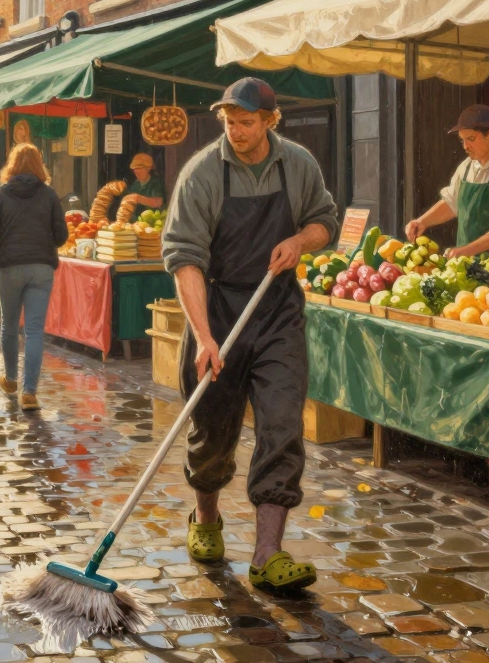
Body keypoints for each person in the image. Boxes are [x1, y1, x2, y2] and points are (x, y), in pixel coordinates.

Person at [163, 78, 338, 593]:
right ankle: (206, 518)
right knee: (212, 432)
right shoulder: (201, 174)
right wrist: (204, 336)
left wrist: (300, 240)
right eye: (228, 122)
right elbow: (185, 259)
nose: (235, 131)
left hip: (278, 311)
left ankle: (267, 554)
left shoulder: (298, 164)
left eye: (245, 122)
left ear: (269, 121)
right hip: (218, 310)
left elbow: (324, 221)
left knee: (282, 425)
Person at [0, 143, 68, 411]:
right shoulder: (49, 194)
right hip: (41, 268)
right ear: (39, 164)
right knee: (34, 331)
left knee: (9, 326)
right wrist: (45, 242)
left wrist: (3, 246)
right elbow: (62, 235)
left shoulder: (1, 193)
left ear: (12, 164)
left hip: (9, 266)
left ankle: (10, 379)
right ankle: (30, 392)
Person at [405, 104, 489, 269]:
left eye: (471, 139)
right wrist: (422, 221)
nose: (465, 146)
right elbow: (452, 203)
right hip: (472, 264)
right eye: (462, 140)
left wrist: (467, 250)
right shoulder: (466, 167)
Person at [110, 152, 165, 222]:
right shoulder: (136, 184)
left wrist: (137, 198)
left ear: (148, 169)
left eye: (139, 168)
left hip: (151, 221)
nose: (136, 171)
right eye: (135, 169)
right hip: (135, 222)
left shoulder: (155, 182)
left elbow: (157, 203)